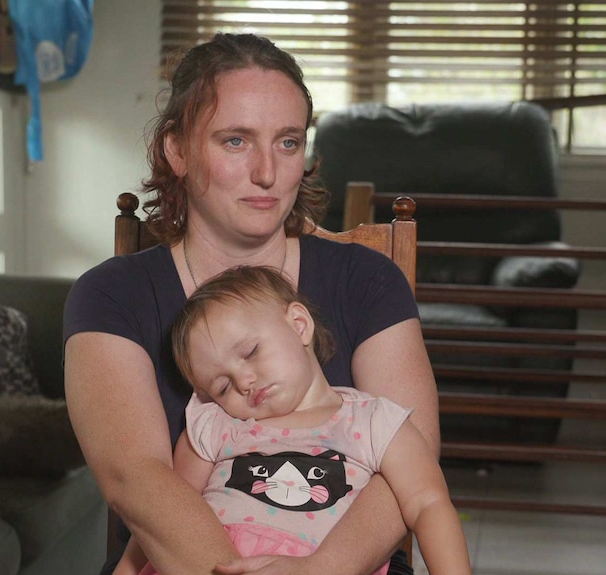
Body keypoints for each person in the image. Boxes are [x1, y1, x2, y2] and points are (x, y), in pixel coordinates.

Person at [63, 32, 439, 575]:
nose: (267, 172)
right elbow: (135, 478)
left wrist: (320, 570)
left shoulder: (368, 281)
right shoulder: (111, 296)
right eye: (235, 141)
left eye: (287, 142)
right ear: (178, 150)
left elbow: (415, 453)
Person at [113, 266, 470, 575]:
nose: (243, 381)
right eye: (222, 386)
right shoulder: (216, 425)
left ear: (299, 325)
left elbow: (428, 504)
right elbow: (160, 518)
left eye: (251, 352)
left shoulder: (374, 421)